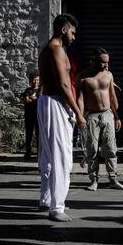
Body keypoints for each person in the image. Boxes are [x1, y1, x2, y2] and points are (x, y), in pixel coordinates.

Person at [37, 14, 86, 222]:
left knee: (49, 156)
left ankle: (46, 199)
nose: (74, 37)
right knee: (62, 157)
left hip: (48, 102)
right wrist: (78, 112)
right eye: (73, 32)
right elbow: (64, 85)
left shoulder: (48, 48)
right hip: (55, 102)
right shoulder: (56, 49)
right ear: (64, 30)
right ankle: (57, 207)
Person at [76, 48, 123, 191]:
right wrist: (80, 116)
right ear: (94, 59)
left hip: (107, 114)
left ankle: (113, 179)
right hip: (91, 116)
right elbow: (79, 99)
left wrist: (117, 116)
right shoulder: (82, 76)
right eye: (103, 62)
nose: (106, 65)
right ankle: (94, 180)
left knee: (111, 148)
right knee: (92, 150)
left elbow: (112, 96)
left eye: (107, 62)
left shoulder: (108, 75)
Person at [21, 70, 40, 159]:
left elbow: (39, 99)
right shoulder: (27, 90)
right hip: (29, 116)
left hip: (38, 115)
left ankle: (39, 151)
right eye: (33, 79)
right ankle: (28, 151)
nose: (35, 81)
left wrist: (34, 99)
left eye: (36, 80)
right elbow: (26, 100)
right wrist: (35, 99)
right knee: (29, 134)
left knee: (38, 134)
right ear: (30, 80)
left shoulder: (40, 90)